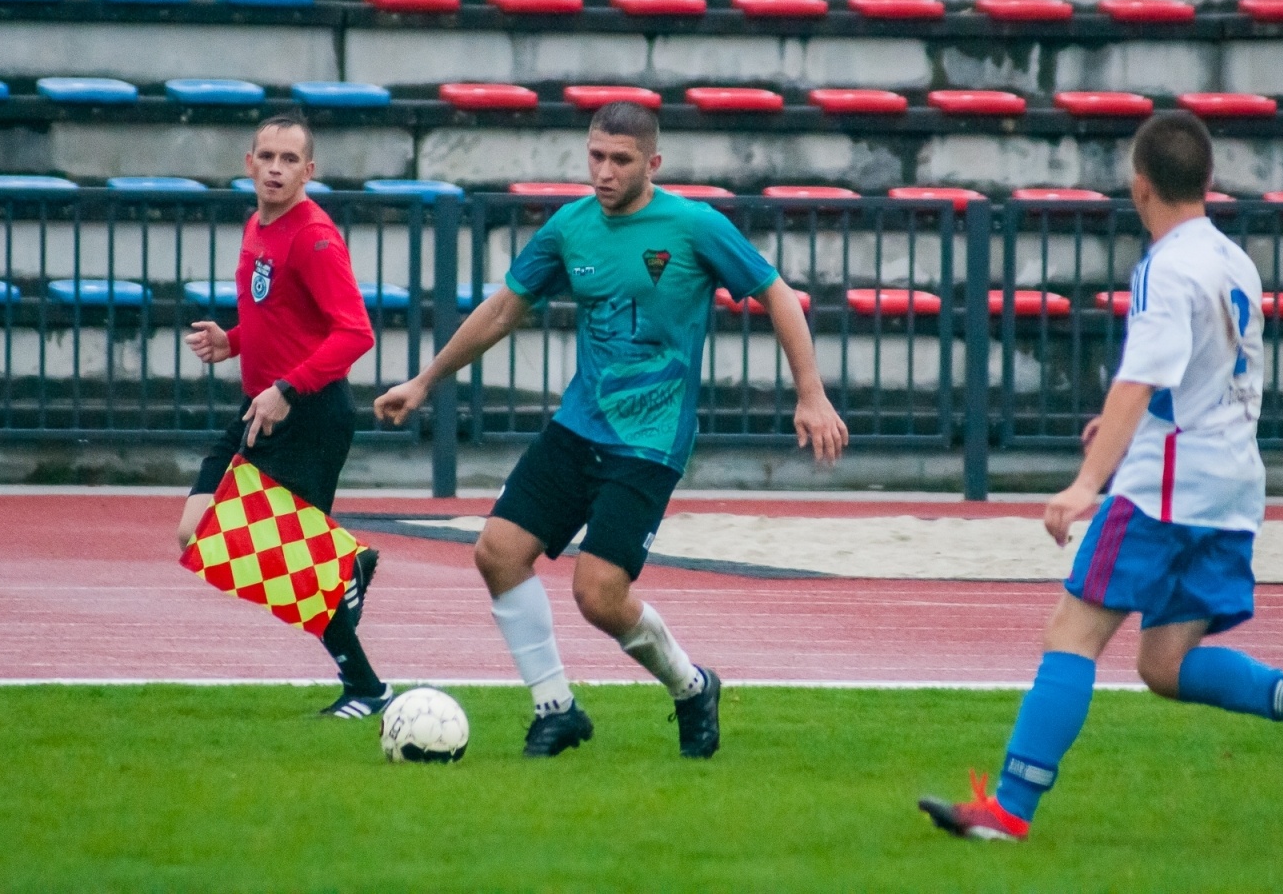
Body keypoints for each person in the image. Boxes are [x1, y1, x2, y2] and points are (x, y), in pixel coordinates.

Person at [919, 112, 1283, 841]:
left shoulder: (1165, 266)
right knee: (1164, 663)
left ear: (1140, 186)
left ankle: (1008, 810)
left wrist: (1086, 482)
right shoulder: (1233, 261)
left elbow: (1141, 376)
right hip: (1232, 483)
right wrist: (1139, 420)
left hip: (1167, 487)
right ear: (1209, 182)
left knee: (1073, 635)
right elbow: (1200, 373)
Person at [375, 101, 848, 758]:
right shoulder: (571, 227)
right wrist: (425, 381)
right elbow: (505, 306)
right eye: (596, 155)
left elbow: (776, 294)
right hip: (578, 427)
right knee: (497, 552)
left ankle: (690, 687)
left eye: (620, 160)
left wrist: (811, 395)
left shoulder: (692, 226)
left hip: (650, 443)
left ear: (652, 164)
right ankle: (555, 709)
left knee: (598, 595)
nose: (604, 171)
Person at [179, 112, 391, 718]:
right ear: (249, 163)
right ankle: (345, 564)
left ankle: (367, 689)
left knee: (293, 563)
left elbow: (354, 333)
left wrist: (286, 390)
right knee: (195, 528)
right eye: (266, 156)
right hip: (263, 406)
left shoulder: (315, 237)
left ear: (309, 171)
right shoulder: (257, 223)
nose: (276, 168)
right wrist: (234, 341)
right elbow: (283, 318)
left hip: (309, 413)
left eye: (289, 159)